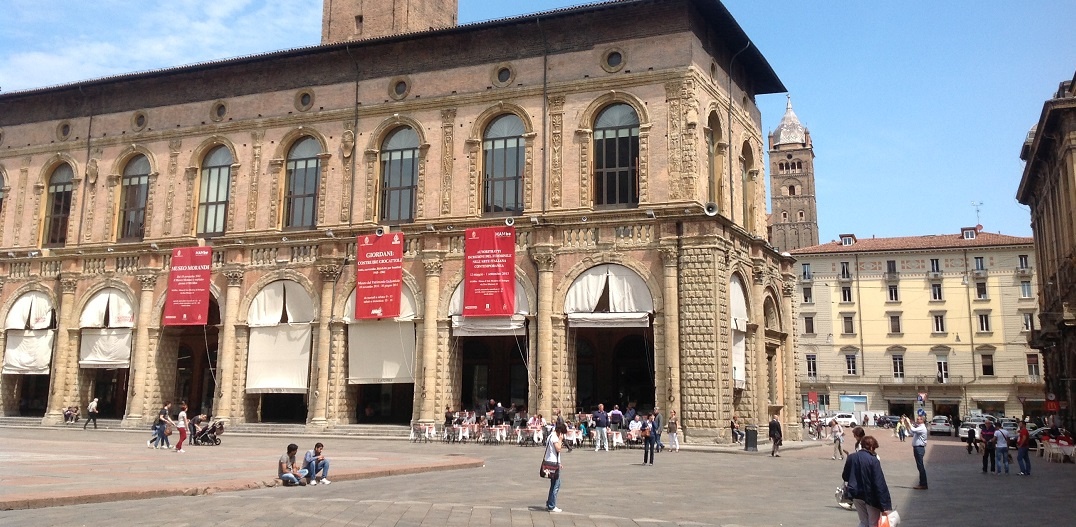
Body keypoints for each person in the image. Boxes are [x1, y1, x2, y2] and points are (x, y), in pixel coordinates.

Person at [841, 436, 893, 527]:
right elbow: (879, 483)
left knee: (863, 521)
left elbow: (845, 476)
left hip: (856, 494)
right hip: (870, 496)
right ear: (871, 447)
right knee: (873, 522)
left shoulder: (851, 457)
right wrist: (885, 505)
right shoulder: (873, 460)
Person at [544, 422, 566, 512]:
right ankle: (551, 505)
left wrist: (559, 462)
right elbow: (558, 449)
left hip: (552, 461)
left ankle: (549, 503)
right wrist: (560, 440)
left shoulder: (550, 436)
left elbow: (554, 452)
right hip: (553, 463)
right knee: (556, 484)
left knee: (554, 483)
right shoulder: (554, 437)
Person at [902, 415, 928, 489]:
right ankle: (922, 483)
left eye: (918, 419)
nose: (917, 420)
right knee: (919, 466)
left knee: (920, 466)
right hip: (917, 448)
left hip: (919, 448)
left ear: (922, 420)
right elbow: (911, 432)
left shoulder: (922, 428)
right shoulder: (919, 427)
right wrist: (907, 424)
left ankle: (923, 484)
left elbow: (913, 430)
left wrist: (909, 422)